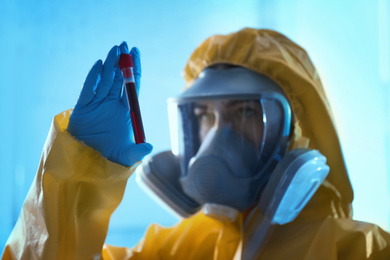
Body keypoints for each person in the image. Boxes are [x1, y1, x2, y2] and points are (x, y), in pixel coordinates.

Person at [2, 28, 390, 259]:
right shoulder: (178, 250)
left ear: (295, 131)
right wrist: (81, 173)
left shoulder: (361, 251)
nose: (217, 136)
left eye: (245, 113)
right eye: (203, 115)